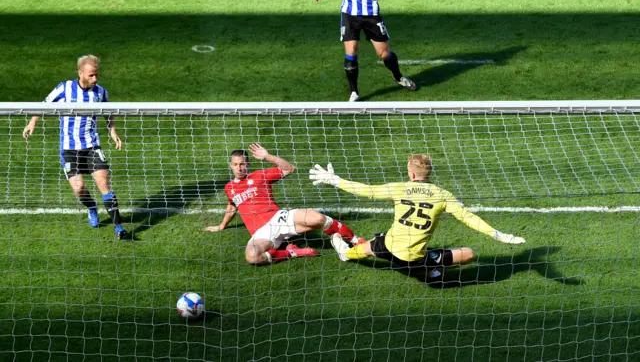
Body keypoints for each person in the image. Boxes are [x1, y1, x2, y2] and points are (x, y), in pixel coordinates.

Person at [309, 154, 525, 279]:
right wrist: (498, 234)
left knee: (373, 245)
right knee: (468, 254)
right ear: (429, 173)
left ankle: (346, 254)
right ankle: (430, 270)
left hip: (389, 247)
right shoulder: (442, 195)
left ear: (411, 173)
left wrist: (335, 180)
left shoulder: (399, 188)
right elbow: (469, 218)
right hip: (415, 257)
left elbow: (366, 190)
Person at [204, 143, 361, 265]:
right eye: (235, 164)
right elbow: (231, 206)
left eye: (242, 164)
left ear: (248, 164)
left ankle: (356, 241)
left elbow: (289, 168)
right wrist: (222, 225)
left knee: (318, 218)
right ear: (231, 165)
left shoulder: (260, 175)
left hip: (278, 218)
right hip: (261, 233)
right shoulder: (229, 187)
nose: (239, 168)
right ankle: (292, 252)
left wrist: (268, 156)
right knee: (252, 256)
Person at [23, 55, 127, 239]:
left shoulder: (101, 92)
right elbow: (44, 104)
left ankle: (118, 227)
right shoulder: (65, 88)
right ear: (81, 73)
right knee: (79, 189)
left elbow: (109, 112)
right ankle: (92, 207)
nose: (95, 79)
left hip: (92, 146)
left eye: (97, 75)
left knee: (104, 184)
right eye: (91, 75)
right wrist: (32, 123)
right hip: (69, 149)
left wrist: (112, 131)